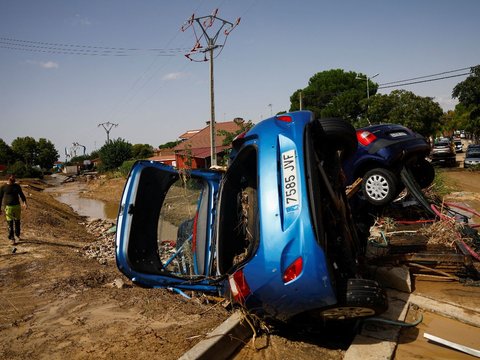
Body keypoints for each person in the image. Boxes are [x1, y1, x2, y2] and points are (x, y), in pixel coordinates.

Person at [0, 174, 28, 244]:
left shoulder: (17, 186)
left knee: (17, 222)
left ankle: (17, 235)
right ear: (8, 178)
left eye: (14, 177)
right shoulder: (3, 187)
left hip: (17, 206)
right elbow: (0, 198)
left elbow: (21, 195)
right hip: (8, 207)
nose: (14, 178)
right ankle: (12, 238)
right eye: (12, 177)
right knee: (10, 223)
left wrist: (24, 202)